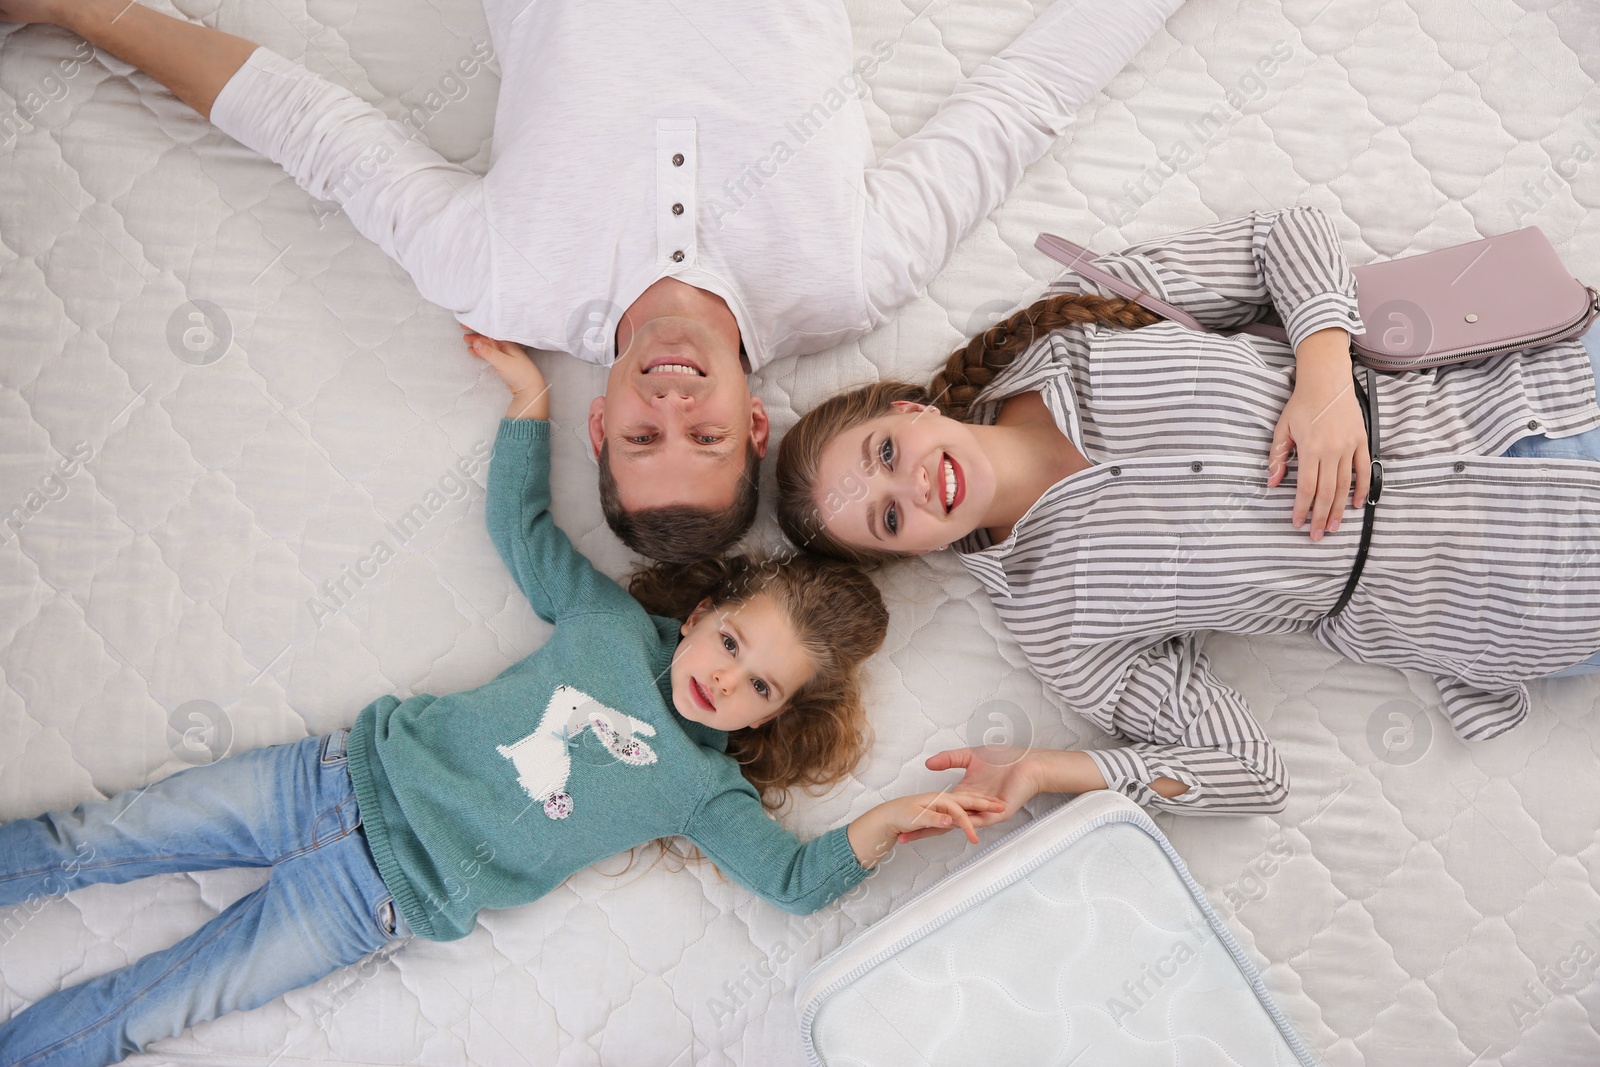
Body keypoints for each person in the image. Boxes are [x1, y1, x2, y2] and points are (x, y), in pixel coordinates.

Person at [0, 331, 1002, 1067]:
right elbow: (522, 529)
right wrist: (528, 397)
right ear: (702, 609)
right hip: (323, 780)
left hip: (371, 898)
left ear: (770, 717)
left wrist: (890, 819)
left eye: (759, 687)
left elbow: (795, 882)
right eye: (733, 641)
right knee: (85, 838)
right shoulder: (606, 624)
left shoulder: (704, 792)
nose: (726, 677)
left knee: (153, 1006)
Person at [0, 0, 1182, 562]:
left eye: (641, 433)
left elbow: (307, 130)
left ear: (599, 419)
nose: (670, 402)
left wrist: (72, 10)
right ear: (755, 419)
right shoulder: (847, 278)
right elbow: (1022, 105)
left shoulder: (500, 277)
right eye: (703, 434)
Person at [773, 205, 1600, 817]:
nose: (911, 486)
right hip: (1532, 593)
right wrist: (1051, 770)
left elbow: (1285, 234)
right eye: (887, 518)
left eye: (884, 454)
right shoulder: (1059, 624)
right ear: (911, 550)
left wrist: (1321, 376)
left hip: (1547, 393)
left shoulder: (1068, 328)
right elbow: (1247, 770)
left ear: (911, 412)